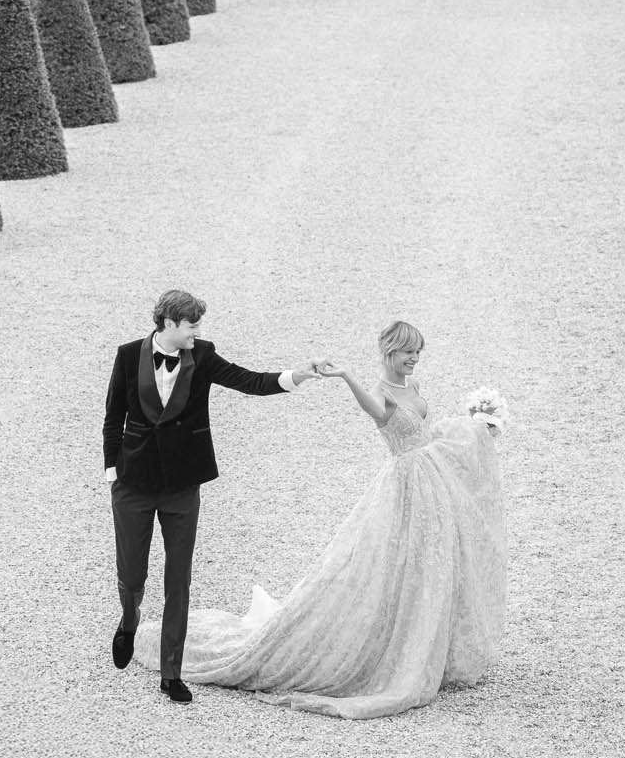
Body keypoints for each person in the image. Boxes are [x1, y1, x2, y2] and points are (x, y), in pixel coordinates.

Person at [133, 320, 507, 719]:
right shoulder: (381, 393)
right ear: (388, 352)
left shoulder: (412, 388)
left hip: (430, 481)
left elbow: (426, 434)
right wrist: (346, 376)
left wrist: (476, 429)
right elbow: (377, 411)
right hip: (406, 488)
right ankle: (397, 650)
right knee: (389, 566)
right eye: (407, 352)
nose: (414, 358)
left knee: (430, 565)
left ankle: (430, 644)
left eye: (418, 352)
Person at [103, 288, 321, 704]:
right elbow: (114, 416)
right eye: (191, 325)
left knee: (178, 579)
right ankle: (129, 620)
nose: (197, 332)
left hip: (183, 486)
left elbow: (249, 381)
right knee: (132, 575)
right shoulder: (128, 355)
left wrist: (296, 375)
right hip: (132, 486)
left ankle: (171, 673)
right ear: (168, 324)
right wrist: (114, 469)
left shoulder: (202, 356)